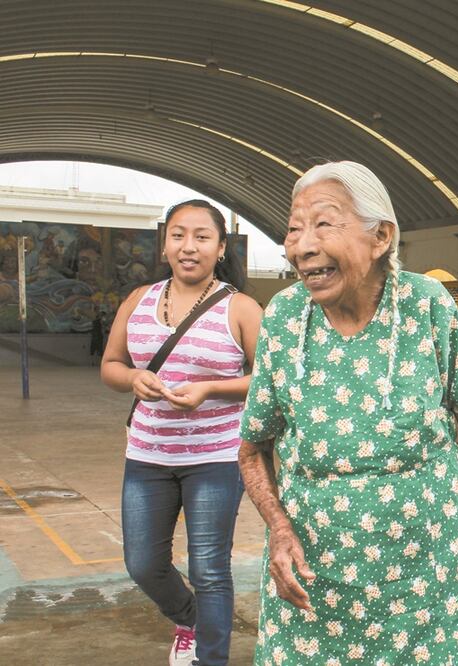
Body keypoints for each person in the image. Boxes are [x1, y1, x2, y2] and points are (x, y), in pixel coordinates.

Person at [237, 161, 458, 664]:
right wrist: (279, 530)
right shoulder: (282, 316)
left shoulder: (426, 306)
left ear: (381, 236)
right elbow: (251, 451)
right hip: (316, 585)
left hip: (434, 581)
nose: (302, 245)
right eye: (294, 229)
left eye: (324, 224)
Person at [100, 199, 262, 666]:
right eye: (178, 235)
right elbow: (110, 365)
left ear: (220, 246)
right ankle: (191, 619)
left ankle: (211, 657)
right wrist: (133, 378)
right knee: (143, 564)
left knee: (209, 569)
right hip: (147, 455)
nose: (188, 246)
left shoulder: (242, 308)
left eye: (201, 236)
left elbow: (271, 379)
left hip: (215, 459)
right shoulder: (139, 300)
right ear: (165, 243)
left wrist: (211, 387)